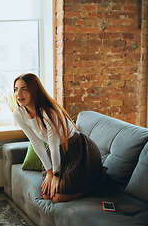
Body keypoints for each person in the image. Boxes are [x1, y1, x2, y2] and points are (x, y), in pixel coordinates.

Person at [13, 73, 103, 203]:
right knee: (46, 195)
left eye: (24, 89)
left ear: (34, 90)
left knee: (57, 198)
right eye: (16, 89)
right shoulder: (19, 113)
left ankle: (96, 184)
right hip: (56, 151)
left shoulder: (49, 112)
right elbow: (36, 142)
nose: (18, 94)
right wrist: (49, 173)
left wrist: (56, 175)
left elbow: (54, 145)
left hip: (76, 149)